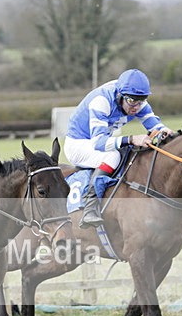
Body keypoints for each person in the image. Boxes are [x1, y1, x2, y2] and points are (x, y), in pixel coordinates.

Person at [64, 69, 175, 228]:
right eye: (131, 101)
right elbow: (99, 142)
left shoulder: (136, 100)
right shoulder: (101, 101)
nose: (136, 107)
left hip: (98, 141)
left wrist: (167, 133)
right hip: (79, 144)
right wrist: (131, 139)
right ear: (120, 95)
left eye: (141, 101)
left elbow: (156, 126)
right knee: (113, 156)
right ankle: (90, 207)